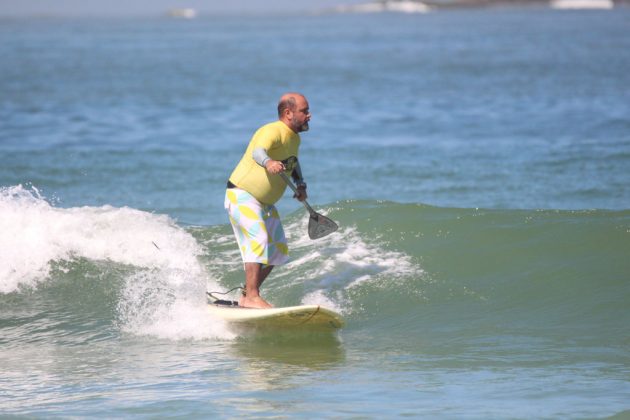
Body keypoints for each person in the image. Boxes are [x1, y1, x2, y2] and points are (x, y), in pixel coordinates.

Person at [225, 93, 311, 308]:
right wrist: (269, 162)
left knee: (277, 252)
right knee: (259, 239)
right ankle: (253, 296)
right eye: (304, 111)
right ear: (288, 113)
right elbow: (258, 152)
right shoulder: (272, 130)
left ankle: (247, 295)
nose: (309, 115)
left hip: (265, 203)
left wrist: (301, 184)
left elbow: (293, 162)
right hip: (242, 195)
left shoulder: (294, 138)